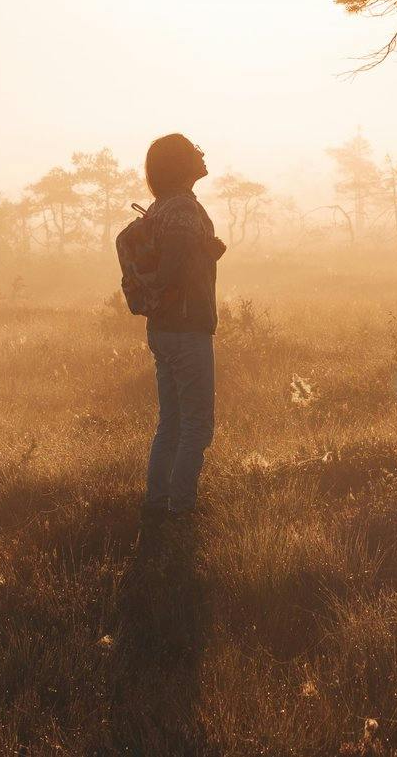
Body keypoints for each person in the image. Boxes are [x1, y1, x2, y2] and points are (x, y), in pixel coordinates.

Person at [138, 134, 226, 537]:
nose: (202, 154)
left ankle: (157, 506)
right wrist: (208, 254)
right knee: (196, 426)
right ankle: (181, 513)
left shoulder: (161, 207)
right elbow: (175, 269)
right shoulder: (184, 211)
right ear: (180, 164)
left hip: (163, 328)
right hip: (187, 328)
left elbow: (171, 265)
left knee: (170, 423)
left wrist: (204, 253)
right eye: (194, 151)